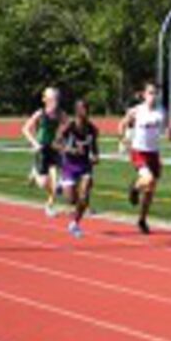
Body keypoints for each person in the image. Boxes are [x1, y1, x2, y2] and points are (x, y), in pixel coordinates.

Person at [118, 82, 170, 234]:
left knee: (150, 190)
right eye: (150, 93)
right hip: (139, 151)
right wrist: (123, 139)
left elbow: (167, 127)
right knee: (148, 179)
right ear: (144, 94)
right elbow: (122, 124)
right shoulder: (137, 111)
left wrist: (169, 132)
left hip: (154, 153)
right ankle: (134, 188)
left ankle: (142, 219)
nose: (153, 97)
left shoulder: (161, 111)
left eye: (155, 93)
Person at [22, 87, 68, 217]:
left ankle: (49, 205)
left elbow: (68, 126)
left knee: (59, 175)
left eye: (57, 98)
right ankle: (35, 171)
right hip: (41, 148)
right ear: (45, 100)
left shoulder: (60, 114)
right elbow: (25, 129)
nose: (55, 101)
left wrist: (62, 139)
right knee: (43, 183)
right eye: (52, 98)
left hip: (53, 148)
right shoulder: (40, 113)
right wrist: (35, 143)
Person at [60, 100, 99, 238]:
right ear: (77, 111)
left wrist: (95, 156)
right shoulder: (69, 127)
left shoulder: (92, 129)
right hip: (69, 166)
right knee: (71, 200)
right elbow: (55, 143)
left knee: (84, 196)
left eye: (87, 108)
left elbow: (94, 148)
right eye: (83, 108)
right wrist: (71, 149)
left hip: (85, 166)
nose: (86, 111)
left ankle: (74, 224)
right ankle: (62, 184)